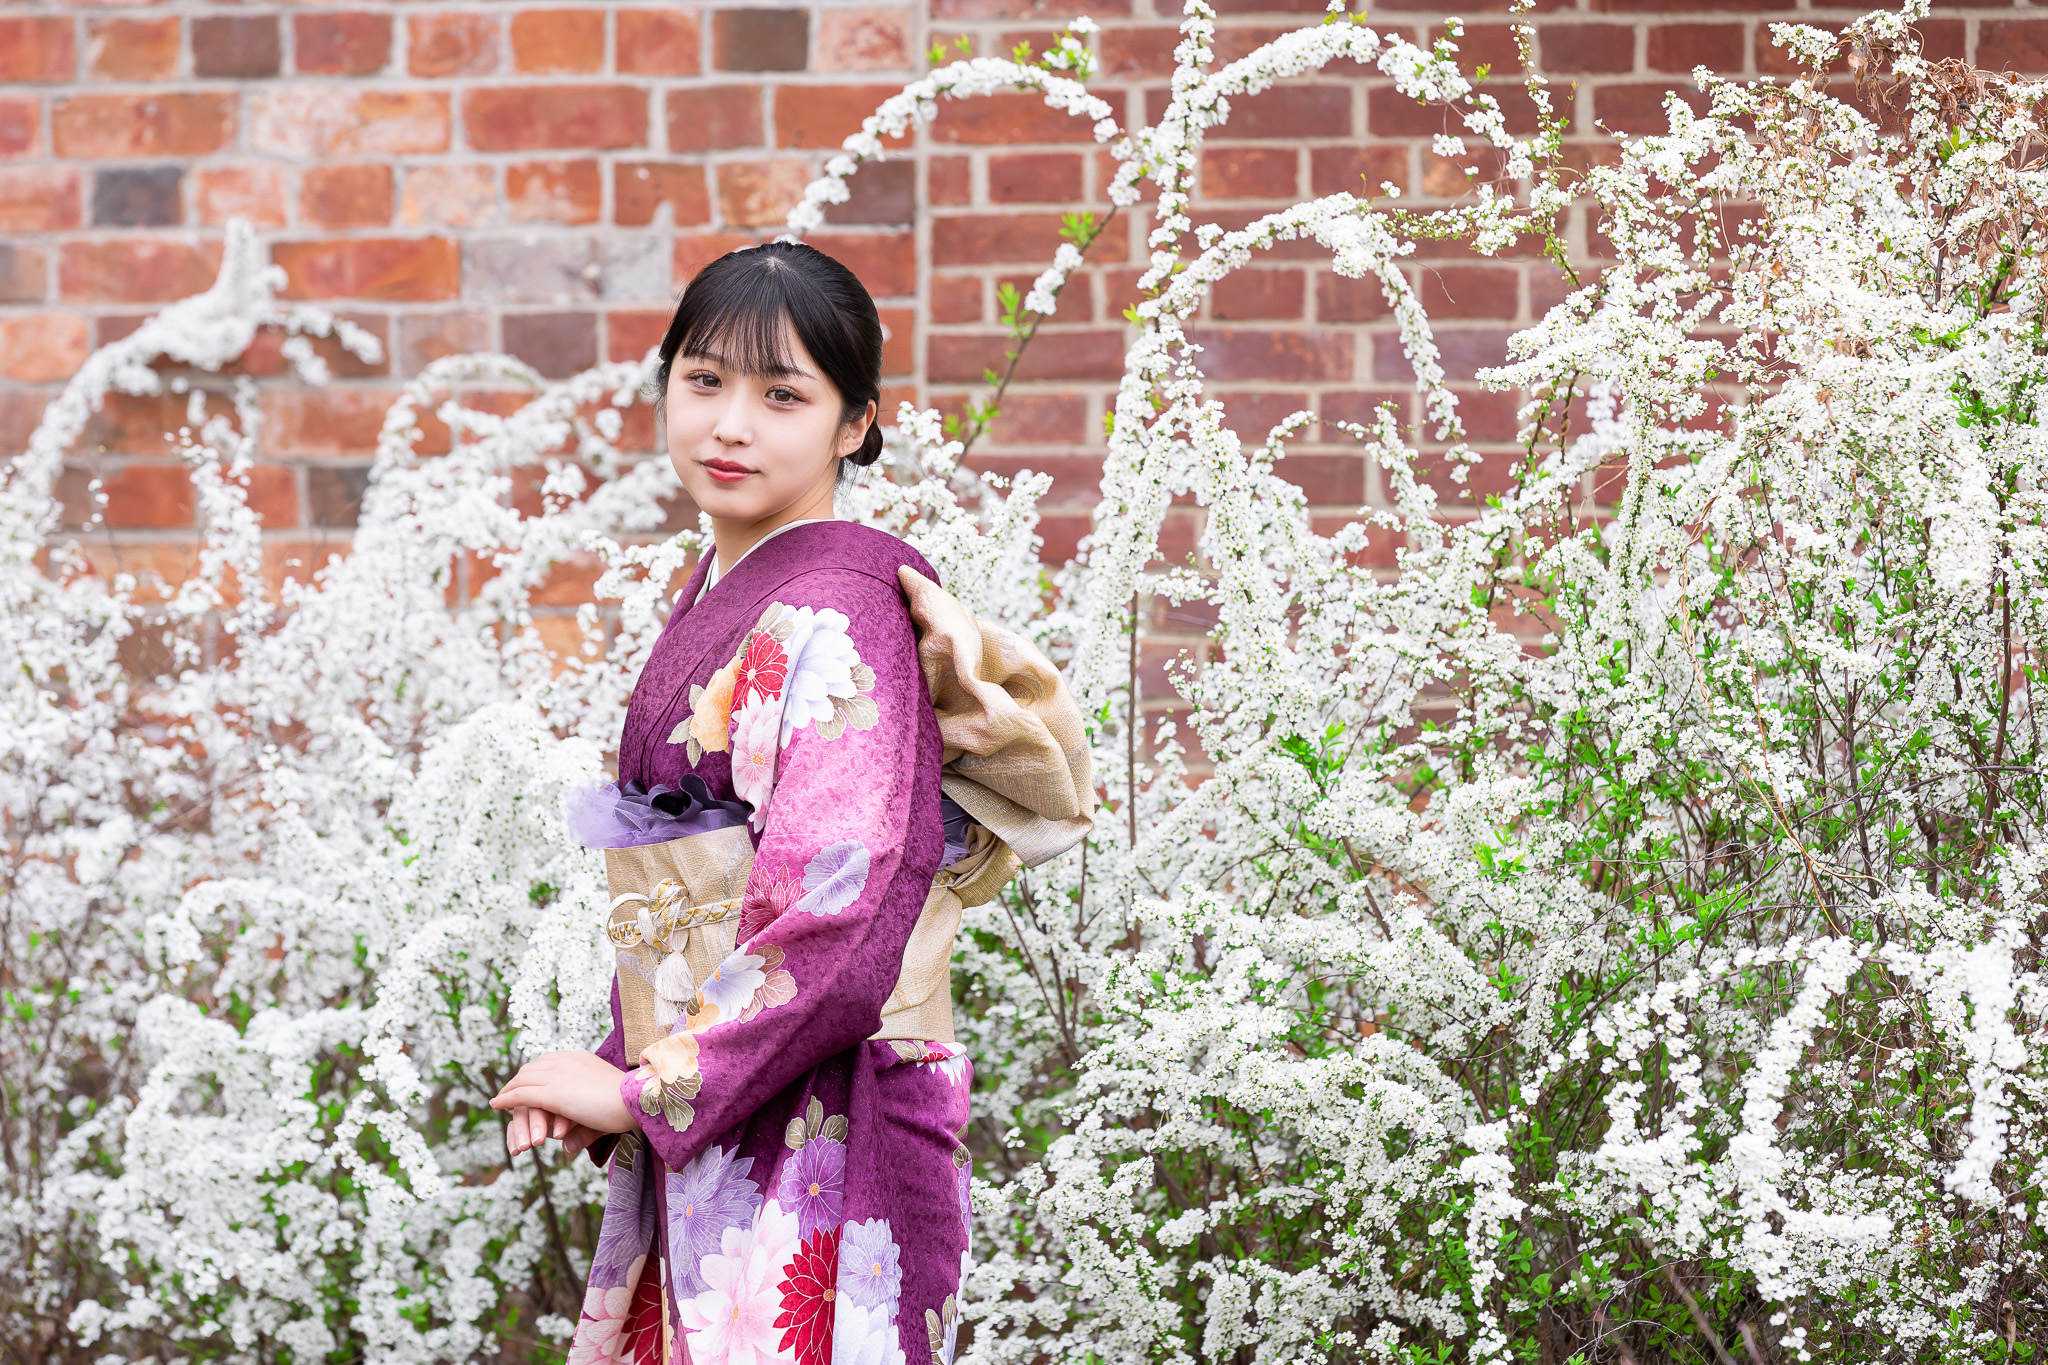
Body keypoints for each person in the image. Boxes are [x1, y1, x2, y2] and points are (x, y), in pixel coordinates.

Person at [489, 242, 1091, 1365]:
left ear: (855, 424)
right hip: (744, 1088)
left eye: (782, 395)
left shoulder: (838, 610)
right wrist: (615, 1071)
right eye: (704, 380)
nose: (730, 426)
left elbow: (842, 902)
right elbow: (695, 897)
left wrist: (653, 1089)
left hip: (832, 1105)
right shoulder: (733, 592)